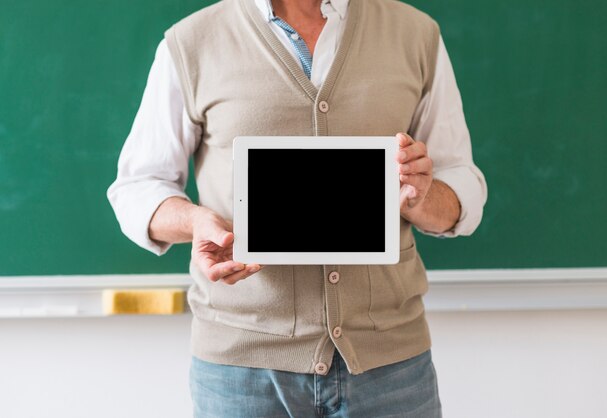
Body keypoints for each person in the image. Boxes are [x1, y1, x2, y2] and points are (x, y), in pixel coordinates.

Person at [107, 0, 487, 416]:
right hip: (242, 372)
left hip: (391, 365)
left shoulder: (415, 34)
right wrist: (197, 221)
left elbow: (461, 186)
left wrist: (421, 194)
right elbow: (137, 187)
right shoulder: (191, 42)